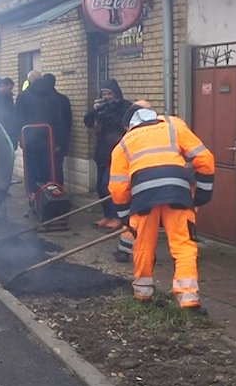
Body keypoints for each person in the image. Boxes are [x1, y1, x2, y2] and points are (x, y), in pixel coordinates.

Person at [109, 101, 215, 312]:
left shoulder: (123, 144)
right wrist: (202, 194)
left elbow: (118, 188)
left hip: (143, 198)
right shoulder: (173, 127)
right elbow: (205, 158)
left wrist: (125, 217)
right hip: (177, 192)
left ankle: (142, 294)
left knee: (143, 245)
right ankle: (189, 300)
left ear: (129, 125)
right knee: (183, 245)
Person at [84, 79, 131, 229]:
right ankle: (107, 215)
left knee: (109, 186)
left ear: (116, 93)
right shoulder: (101, 108)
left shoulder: (126, 107)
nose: (106, 97)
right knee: (100, 187)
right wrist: (95, 110)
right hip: (102, 152)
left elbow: (121, 123)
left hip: (117, 153)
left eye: (109, 93)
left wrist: (106, 114)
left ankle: (118, 216)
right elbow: (88, 121)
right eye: (104, 93)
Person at [16, 72, 72, 195]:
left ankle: (34, 199)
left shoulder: (23, 96)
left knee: (32, 173)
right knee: (50, 173)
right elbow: (59, 120)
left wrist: (21, 139)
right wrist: (59, 142)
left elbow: (18, 119)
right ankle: (49, 200)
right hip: (49, 141)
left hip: (31, 141)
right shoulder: (52, 96)